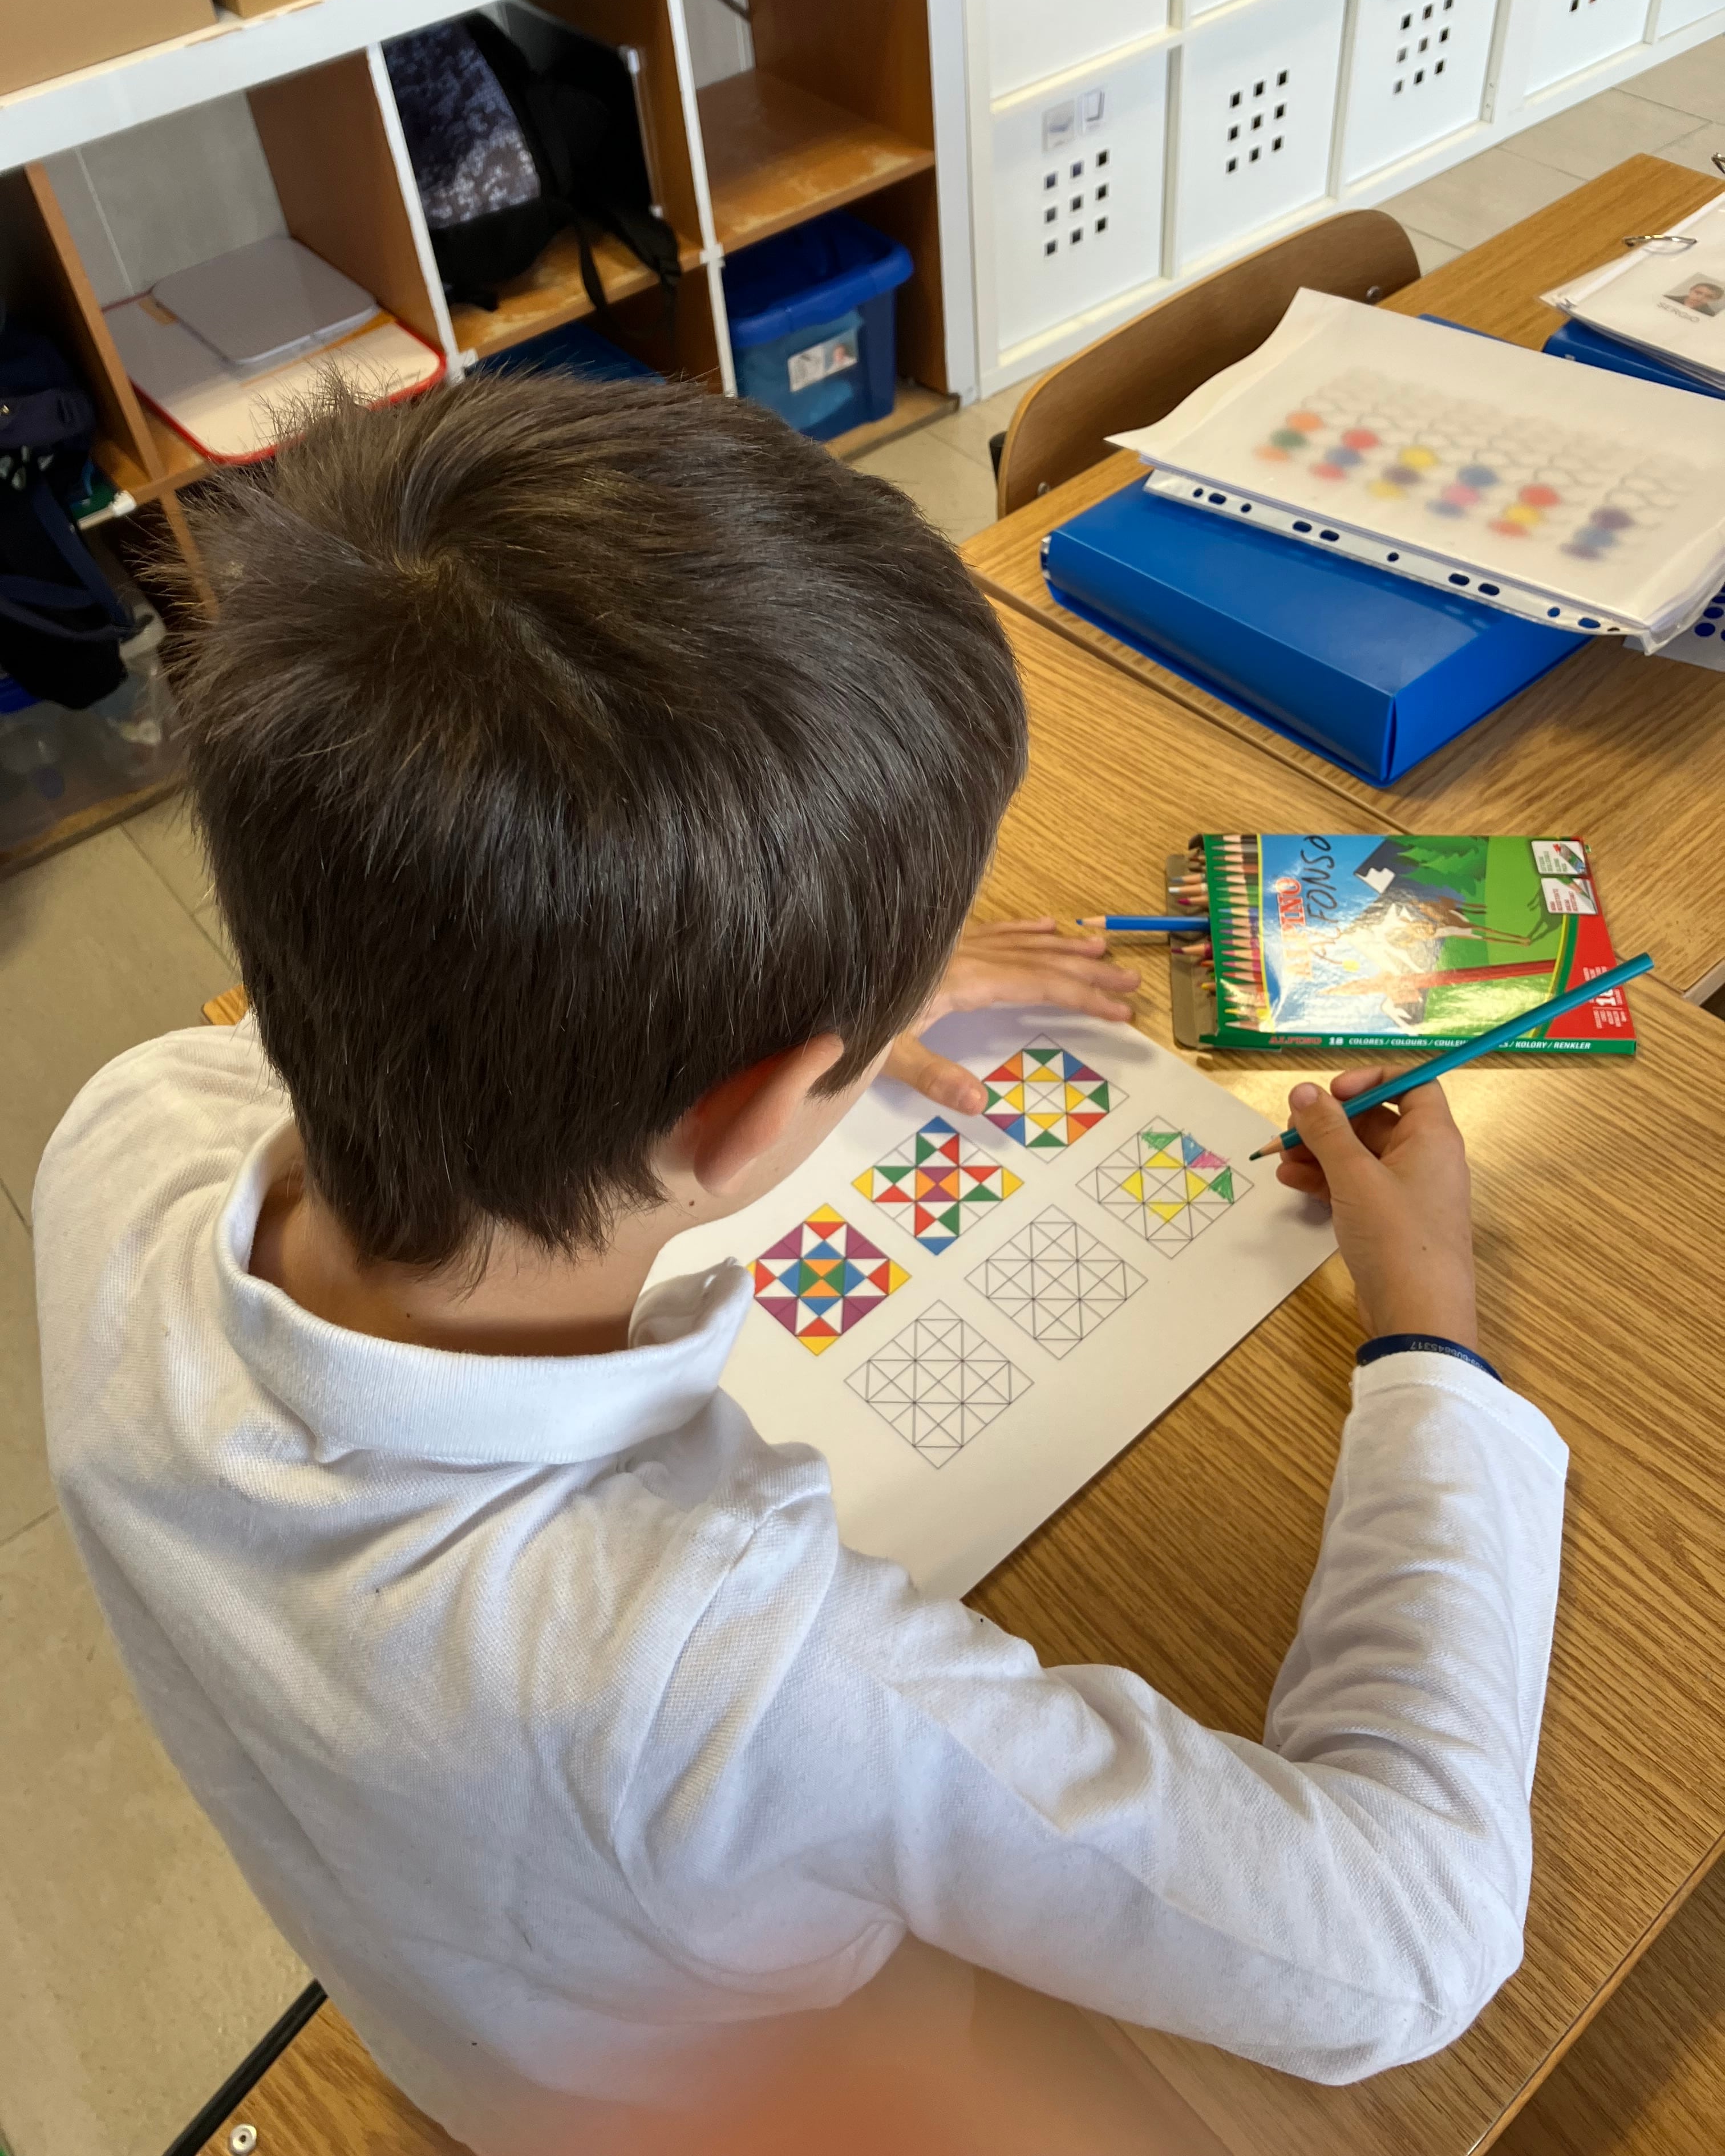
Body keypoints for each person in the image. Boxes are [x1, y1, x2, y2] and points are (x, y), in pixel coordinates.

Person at [35, 377, 1566, 2156]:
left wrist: (803, 982)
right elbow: (1407, 1948)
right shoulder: (717, 1665)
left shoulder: (118, 1135)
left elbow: (322, 1024)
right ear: (761, 1114)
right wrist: (1433, 1343)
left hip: (450, 1990)